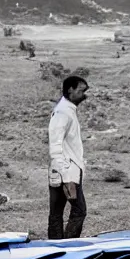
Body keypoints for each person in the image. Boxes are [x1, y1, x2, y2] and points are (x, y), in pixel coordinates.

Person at [48, 75, 88, 239]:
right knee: (79, 210)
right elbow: (55, 145)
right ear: (70, 90)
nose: (84, 95)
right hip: (67, 170)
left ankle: (54, 248)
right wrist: (65, 175)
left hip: (62, 169)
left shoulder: (66, 110)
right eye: (80, 91)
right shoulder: (63, 112)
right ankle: (69, 246)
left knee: (56, 212)